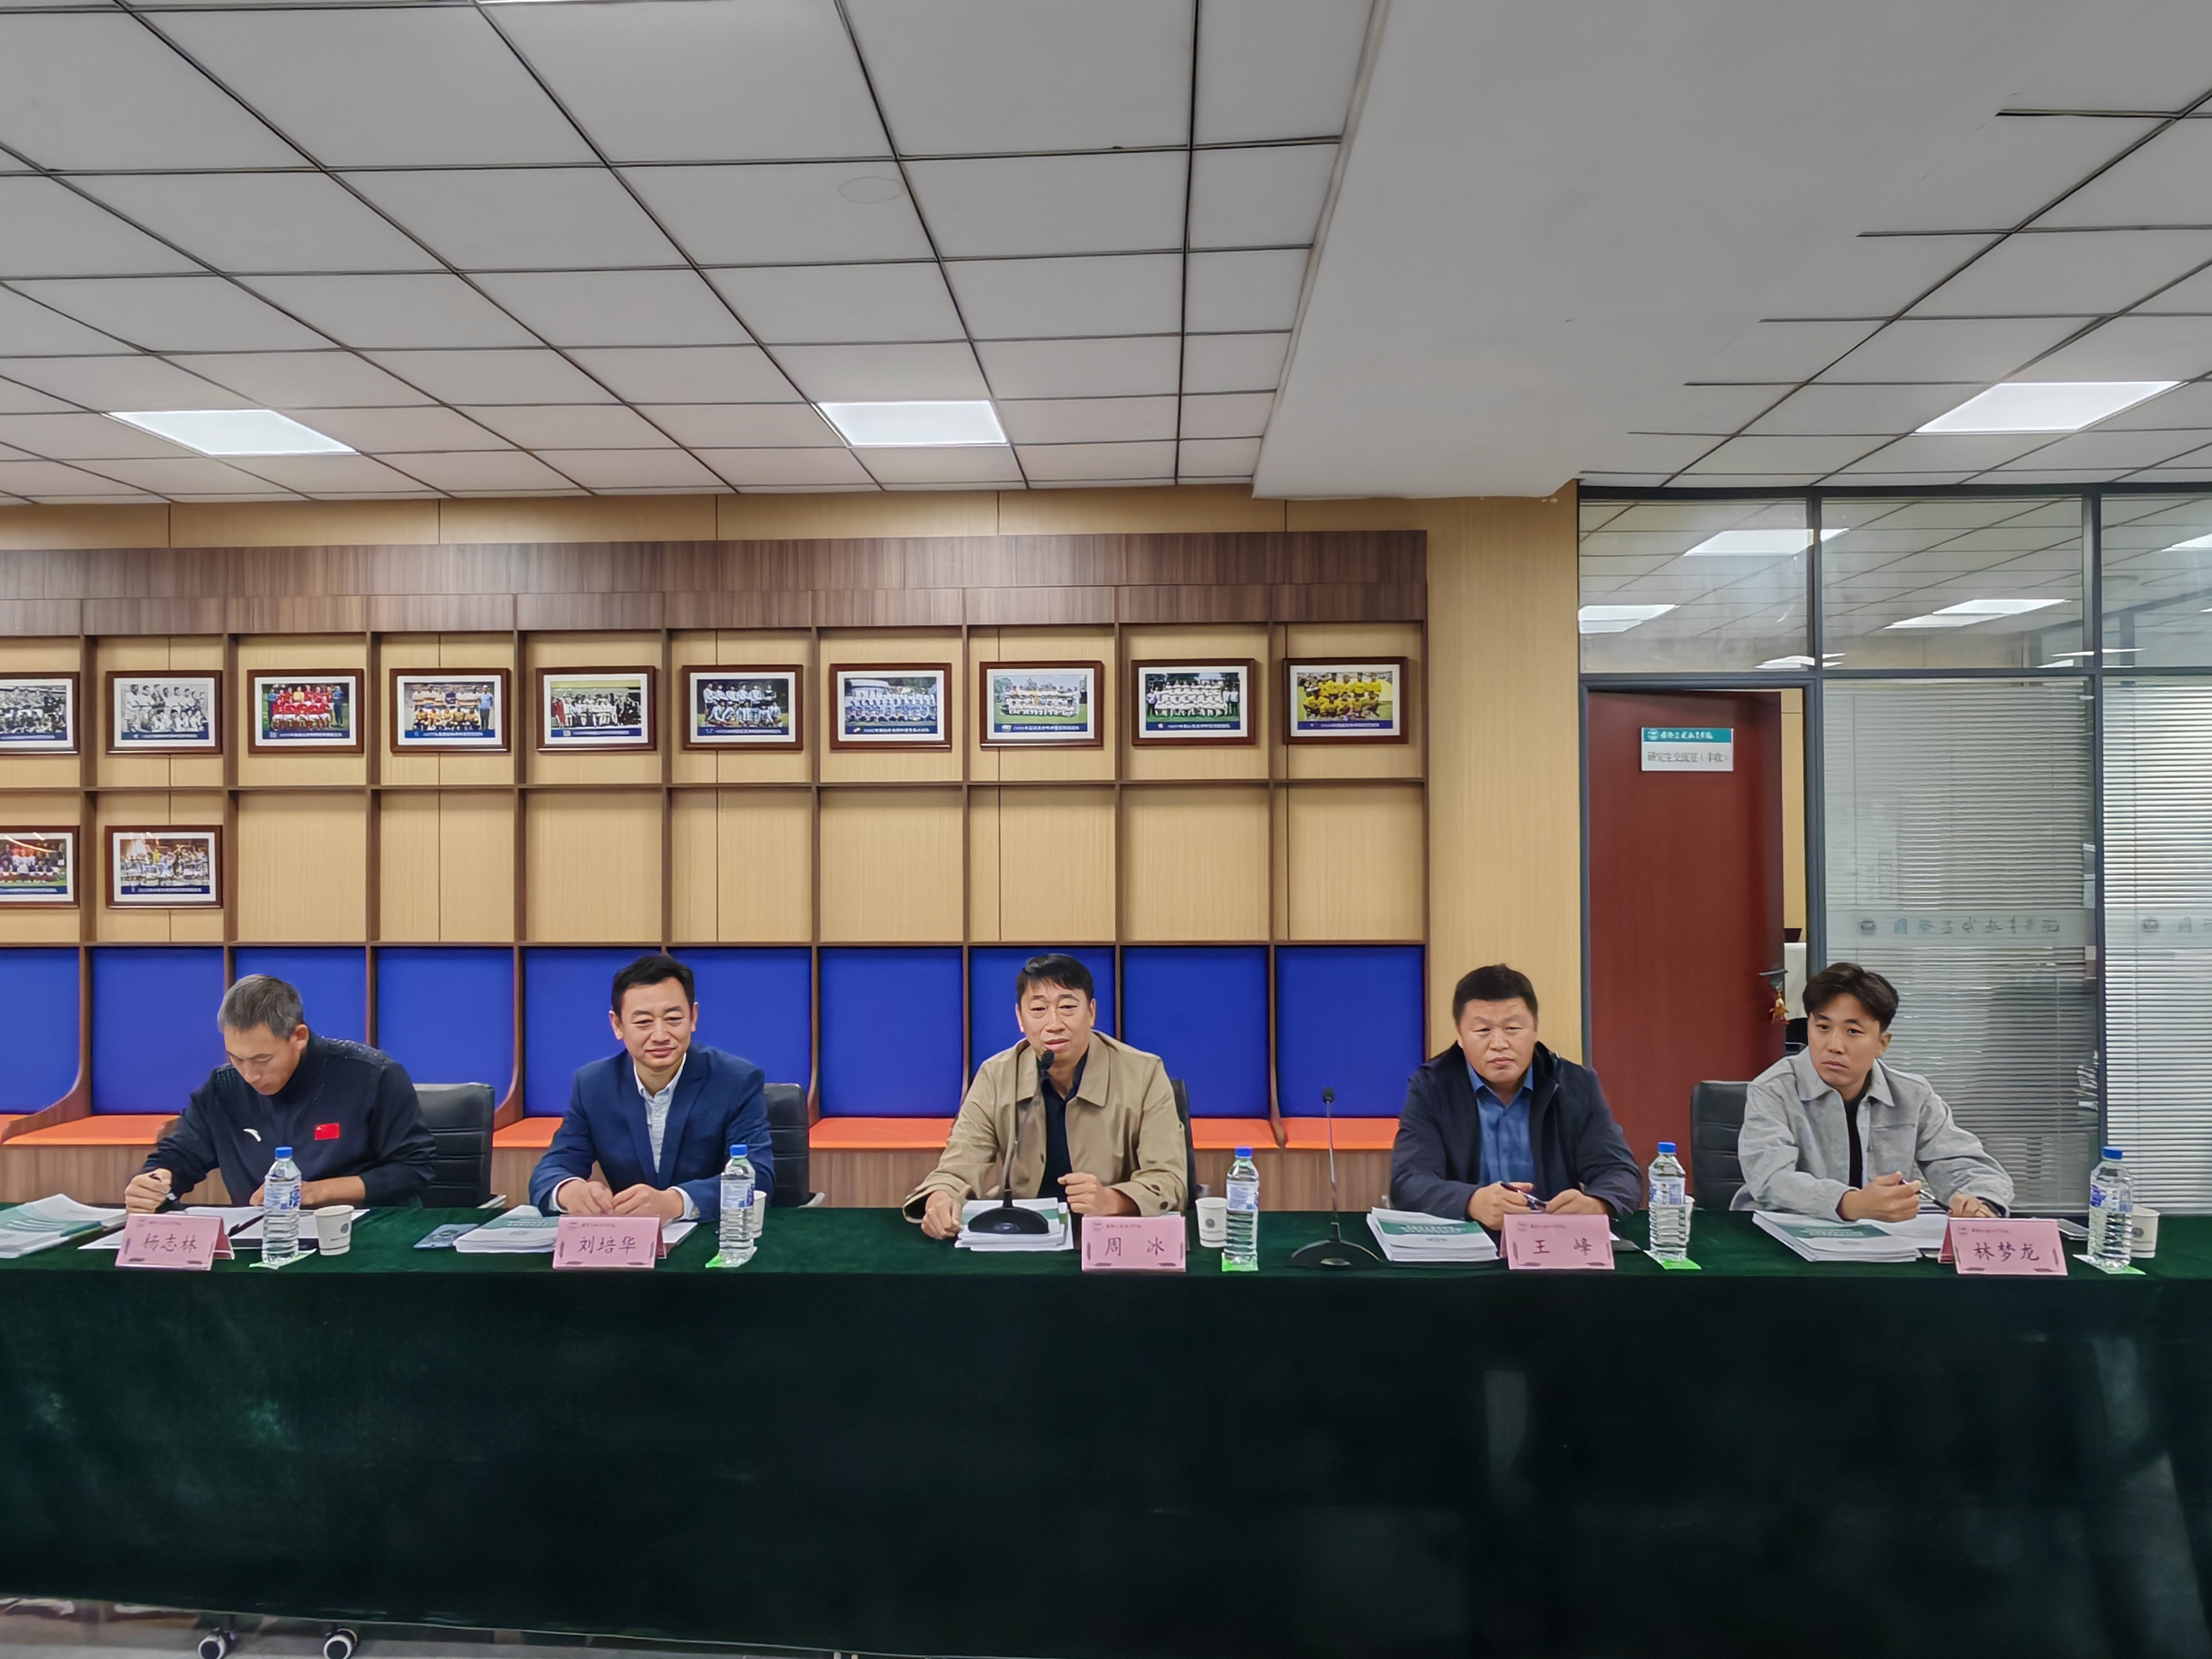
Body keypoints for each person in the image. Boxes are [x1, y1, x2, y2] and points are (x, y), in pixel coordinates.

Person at [905, 953, 1185, 1238]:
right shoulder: (996, 1076)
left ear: (1091, 1012)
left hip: (1110, 1234)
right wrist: (940, 1199)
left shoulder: (1144, 1073)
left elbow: (1169, 1179)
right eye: (1039, 1009)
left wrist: (1111, 1200)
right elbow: (959, 1165)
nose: (1054, 1024)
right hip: (1023, 1235)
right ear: (1020, 1018)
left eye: (1067, 1007)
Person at [124, 975, 434, 1212]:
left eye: (262, 1059)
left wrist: (315, 1192)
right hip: (263, 1243)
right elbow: (181, 1155)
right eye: (236, 1059)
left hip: (364, 1236)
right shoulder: (222, 1089)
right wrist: (155, 1180)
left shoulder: (373, 1076)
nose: (250, 1075)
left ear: (298, 1036)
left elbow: (413, 1170)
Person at [1735, 962, 2012, 1219]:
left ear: (1882, 1043)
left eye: (1853, 1031)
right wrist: (1850, 1204)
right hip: (1781, 1235)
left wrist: (1979, 1202)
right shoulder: (1774, 1089)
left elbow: (1963, 1163)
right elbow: (1770, 1179)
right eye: (1823, 1027)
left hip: (1884, 1239)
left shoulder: (1912, 1095)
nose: (1834, 1046)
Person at [1390, 964, 1642, 1226]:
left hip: (1553, 1238)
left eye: (1512, 1028)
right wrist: (1471, 1201)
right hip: (1468, 1238)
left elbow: (1620, 1173)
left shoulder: (1575, 1084)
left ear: (1535, 1028)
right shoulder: (1431, 1087)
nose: (1499, 1044)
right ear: (1461, 1036)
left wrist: (1596, 1204)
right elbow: (1408, 1181)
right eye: (1483, 1031)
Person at [528, 953, 772, 1223]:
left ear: (693, 1017)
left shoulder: (736, 1080)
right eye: (643, 1022)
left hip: (711, 1234)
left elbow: (758, 1176)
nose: (660, 1035)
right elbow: (551, 1169)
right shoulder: (593, 1085)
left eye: (673, 1019)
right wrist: (568, 1191)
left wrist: (676, 1202)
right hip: (627, 1240)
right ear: (617, 1025)